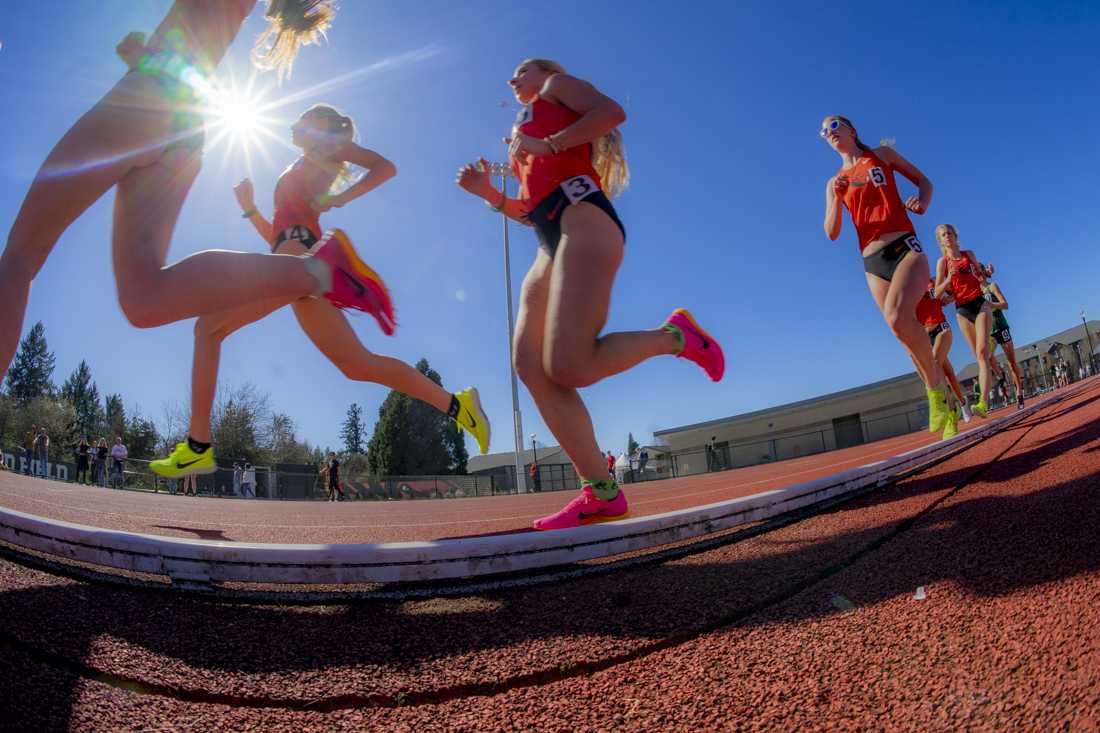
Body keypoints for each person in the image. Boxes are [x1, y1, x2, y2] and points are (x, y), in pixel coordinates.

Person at [0, 1, 397, 392]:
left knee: (21, 256)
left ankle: (319, 269)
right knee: (144, 299)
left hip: (149, 97)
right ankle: (319, 272)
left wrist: (150, 63)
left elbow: (190, 35)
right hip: (187, 122)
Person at [151, 104, 489, 478]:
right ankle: (458, 405)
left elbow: (385, 167)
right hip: (294, 260)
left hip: (301, 257)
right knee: (356, 364)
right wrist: (249, 209)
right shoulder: (297, 164)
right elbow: (277, 239)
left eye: (304, 116)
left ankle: (198, 445)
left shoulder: (330, 147)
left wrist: (340, 198)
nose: (295, 122)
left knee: (208, 327)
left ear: (324, 123)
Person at [457, 59, 726, 530]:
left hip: (584, 218)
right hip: (547, 236)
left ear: (542, 70)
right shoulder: (524, 131)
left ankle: (675, 336)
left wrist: (548, 143)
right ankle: (601, 492)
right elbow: (530, 210)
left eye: (520, 70)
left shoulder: (555, 88)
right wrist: (489, 195)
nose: (511, 80)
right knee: (530, 367)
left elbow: (611, 111)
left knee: (569, 366)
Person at [821, 116, 957, 438]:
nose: (830, 133)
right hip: (872, 261)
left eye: (835, 125)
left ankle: (935, 393)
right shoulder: (834, 181)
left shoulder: (881, 155)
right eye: (824, 131)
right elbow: (831, 232)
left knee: (898, 318)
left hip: (903, 246)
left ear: (852, 130)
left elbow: (925, 181)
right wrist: (838, 201)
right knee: (904, 337)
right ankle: (946, 404)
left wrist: (922, 203)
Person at [933, 224, 991, 419]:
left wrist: (986, 274)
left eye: (949, 233)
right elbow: (936, 293)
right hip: (962, 310)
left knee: (982, 352)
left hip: (979, 303)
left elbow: (982, 279)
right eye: (943, 235)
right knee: (977, 355)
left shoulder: (969, 254)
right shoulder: (943, 263)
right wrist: (948, 280)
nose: (947, 237)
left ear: (955, 236)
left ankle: (982, 403)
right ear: (940, 241)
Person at [915, 278, 971, 433]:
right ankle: (961, 402)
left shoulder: (931, 282)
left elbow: (946, 297)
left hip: (941, 329)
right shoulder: (908, 290)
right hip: (925, 338)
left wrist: (953, 286)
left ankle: (952, 412)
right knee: (946, 373)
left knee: (935, 367)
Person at [980, 263, 1025, 409]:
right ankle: (1001, 376)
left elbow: (1005, 304)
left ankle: (1019, 392)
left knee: (1012, 362)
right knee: (986, 356)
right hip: (989, 331)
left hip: (1001, 327)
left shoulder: (991, 286)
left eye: (979, 272)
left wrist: (991, 304)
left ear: (984, 273)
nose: (977, 275)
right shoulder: (974, 292)